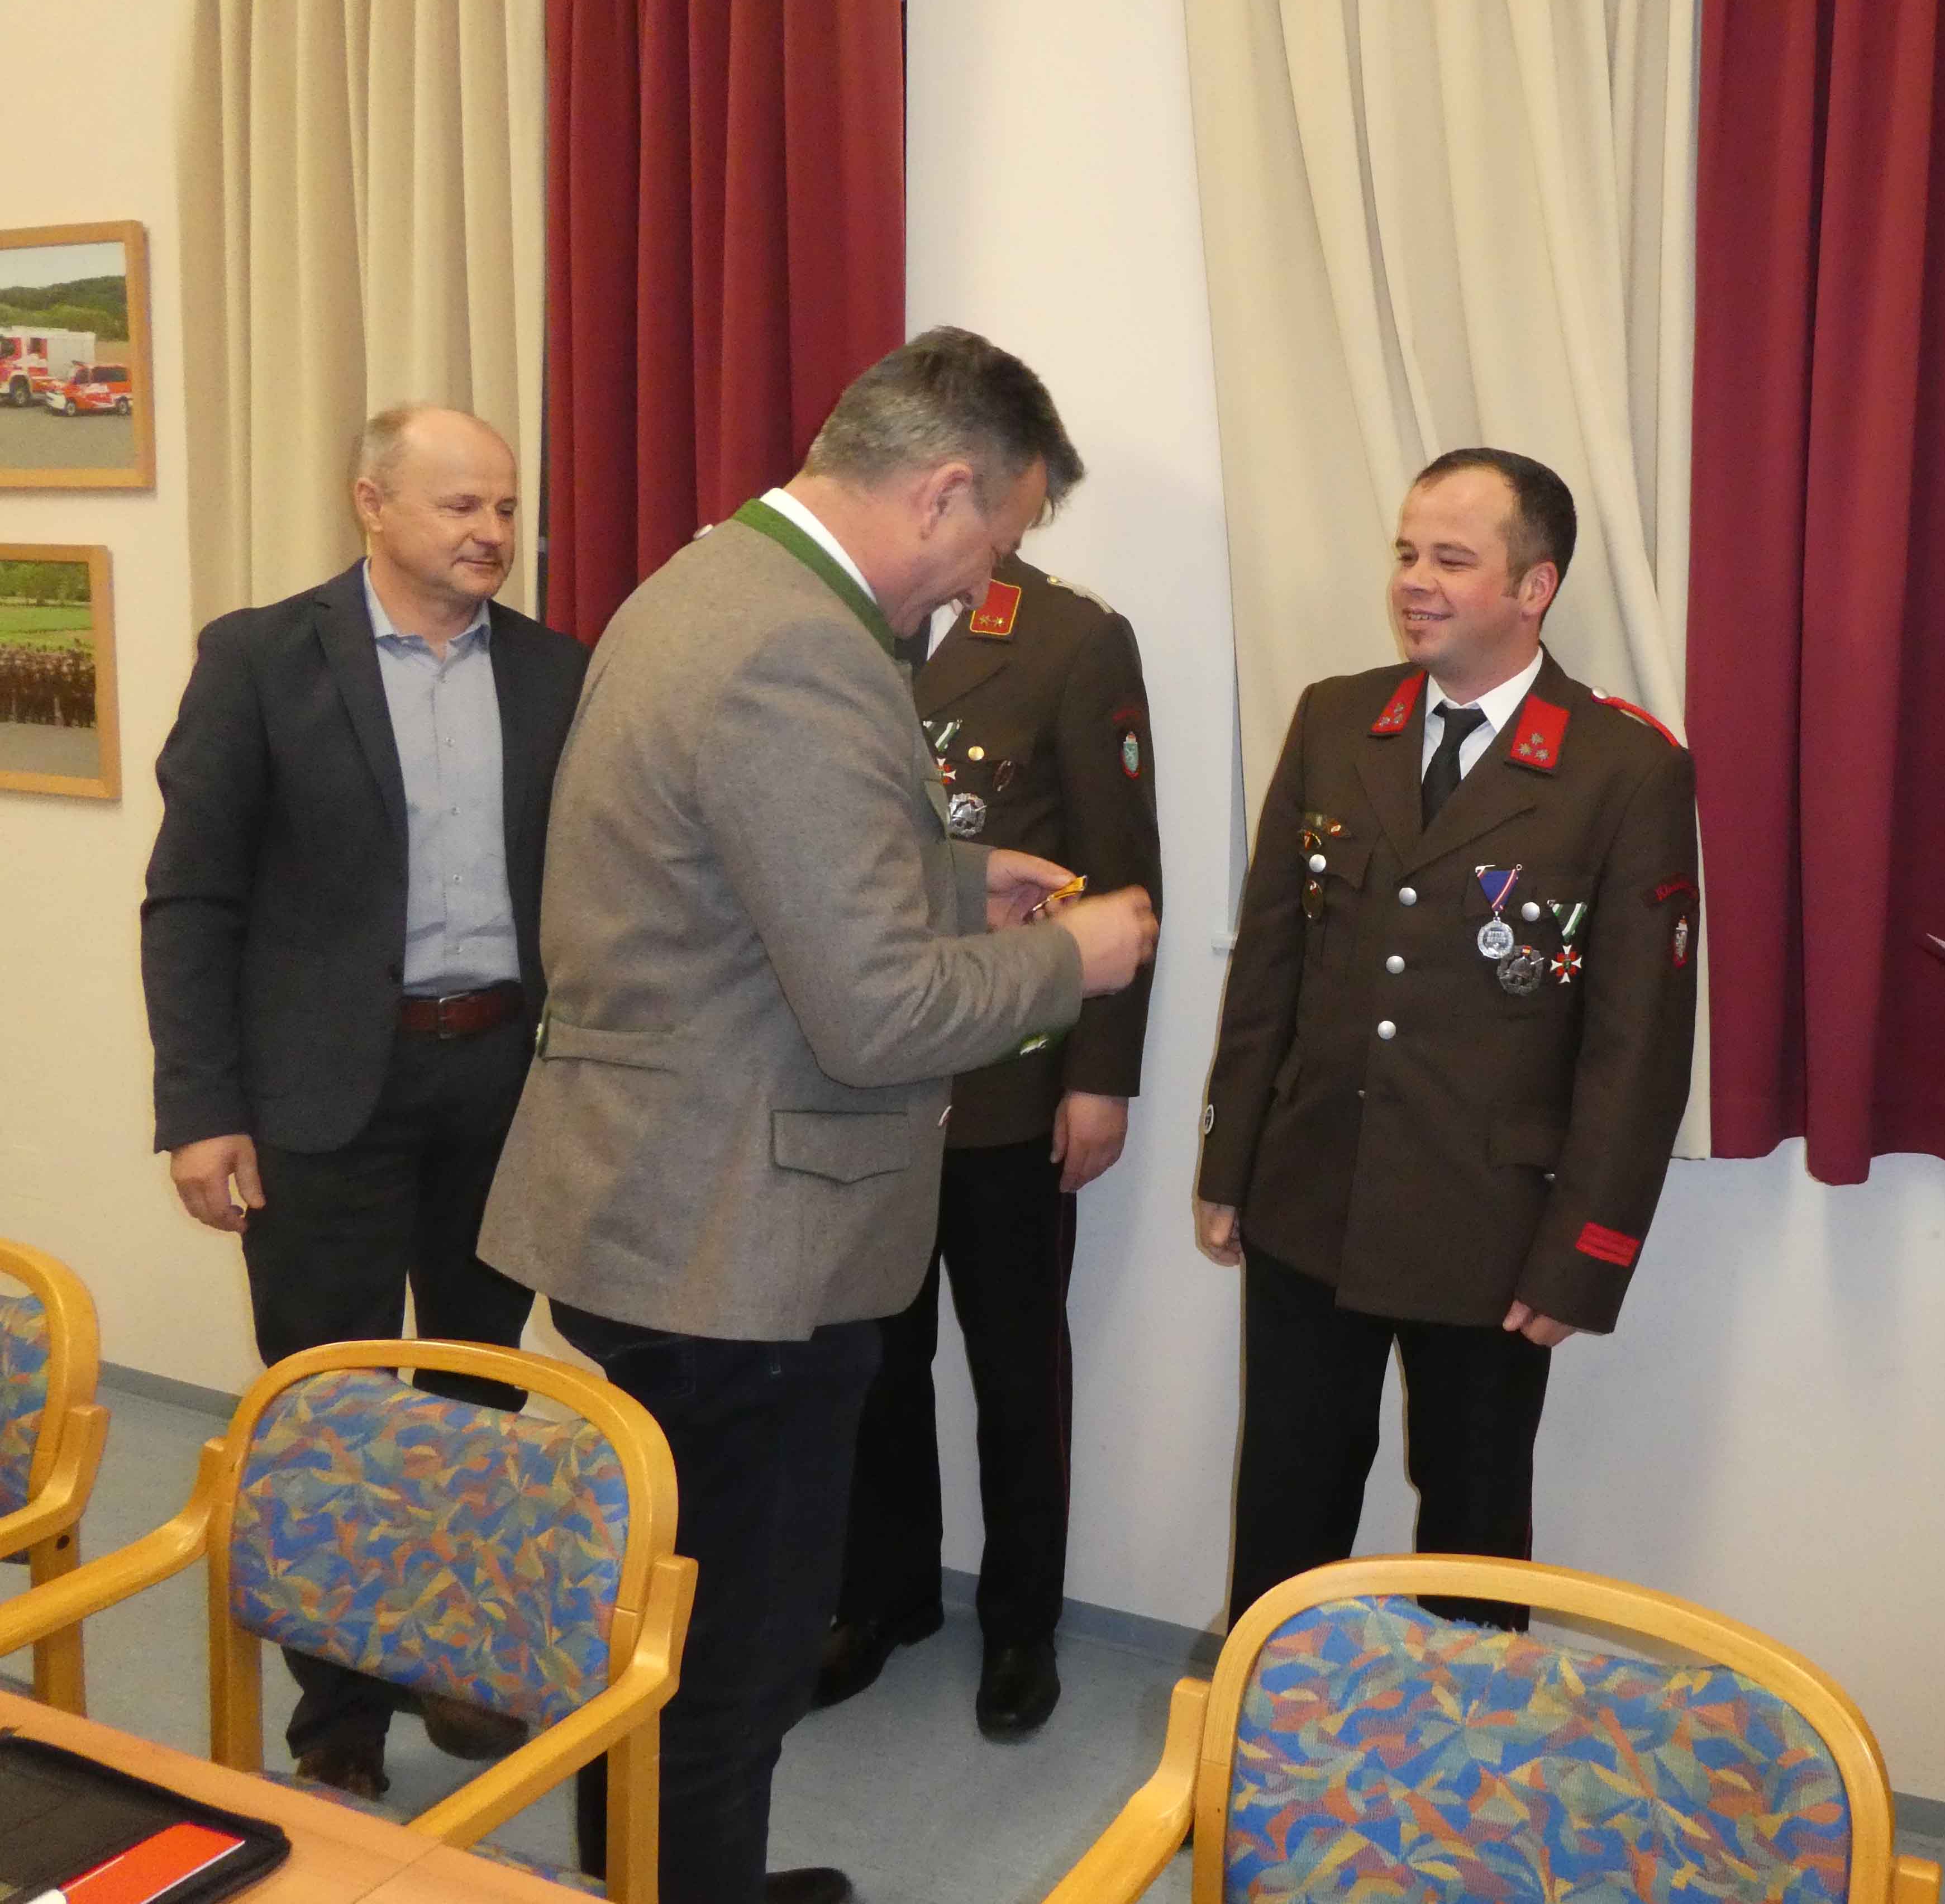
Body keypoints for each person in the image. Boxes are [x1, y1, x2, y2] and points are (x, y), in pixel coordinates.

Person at [477, 329, 1158, 1904]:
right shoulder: (804, 650)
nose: (983, 579)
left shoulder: (708, 584)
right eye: (994, 540)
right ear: (939, 493)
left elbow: (733, 878)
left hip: (660, 1198)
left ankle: (675, 1881)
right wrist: (1074, 956)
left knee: (676, 1632)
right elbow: (880, 1017)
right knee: (731, 1665)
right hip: (739, 1247)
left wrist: (951, 881)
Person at [140, 404, 584, 1796]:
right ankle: (336, 1710)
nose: (492, 534)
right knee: (326, 1399)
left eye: (505, 508)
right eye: (461, 506)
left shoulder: (557, 673)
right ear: (372, 504)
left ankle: (452, 1655)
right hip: (320, 1091)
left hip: (498, 1083)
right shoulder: (261, 659)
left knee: (475, 1388)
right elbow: (193, 901)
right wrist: (200, 1108)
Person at [1194, 448, 1698, 1628]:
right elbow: (1270, 966)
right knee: (1286, 1506)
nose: (1415, 582)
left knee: (1473, 1535)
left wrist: (1587, 1253)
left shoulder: (1624, 768)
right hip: (1313, 1195)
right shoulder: (1336, 720)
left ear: (1535, 588)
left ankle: (1469, 1745)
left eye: (1452, 560)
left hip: (1492, 1230)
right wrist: (1230, 1165)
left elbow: (1638, 1045)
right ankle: (1260, 1731)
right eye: (1408, 554)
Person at [816, 558, 1162, 1734]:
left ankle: (1020, 1625)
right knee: (870, 1361)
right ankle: (884, 1595)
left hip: (1006, 1085)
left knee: (1017, 1373)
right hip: (862, 1075)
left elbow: (1119, 877)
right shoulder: (840, 612)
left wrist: (1100, 1076)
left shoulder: (1070, 638)